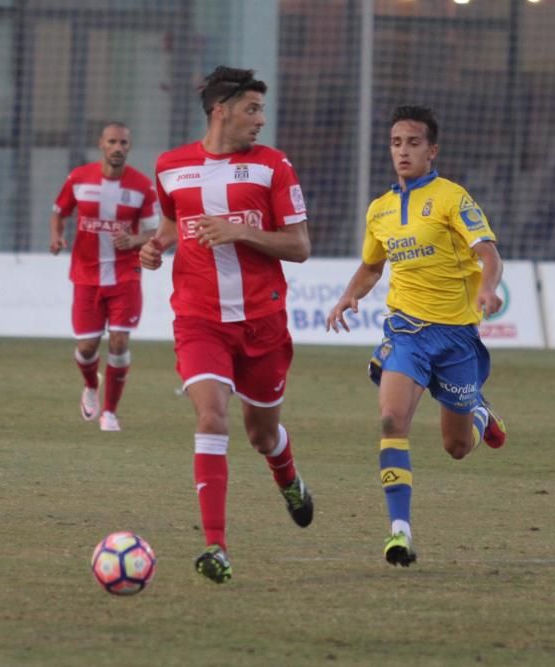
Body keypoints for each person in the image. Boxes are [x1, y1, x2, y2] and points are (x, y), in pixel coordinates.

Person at [139, 66, 314, 584]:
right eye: (252, 109)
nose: (261, 120)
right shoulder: (170, 166)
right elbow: (175, 219)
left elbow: (300, 246)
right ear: (221, 111)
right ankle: (216, 546)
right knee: (211, 417)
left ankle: (288, 476)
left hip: (262, 323)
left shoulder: (273, 167)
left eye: (261, 110)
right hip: (199, 320)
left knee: (262, 435)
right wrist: (156, 244)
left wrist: (239, 231)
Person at [326, 105, 508, 568]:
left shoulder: (452, 197)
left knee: (457, 448)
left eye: (412, 143)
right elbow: (372, 265)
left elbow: (487, 252)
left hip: (456, 339)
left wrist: (487, 288)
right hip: (405, 332)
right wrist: (350, 296)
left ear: (432, 150)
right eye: (395, 143)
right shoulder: (380, 209)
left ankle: (478, 411)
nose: (402, 151)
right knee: (391, 420)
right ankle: (399, 533)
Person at [50, 122, 158, 432]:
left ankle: (110, 412)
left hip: (125, 275)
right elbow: (59, 211)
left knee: (120, 342)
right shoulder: (79, 178)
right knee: (86, 348)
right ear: (102, 144)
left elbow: (155, 230)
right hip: (86, 274)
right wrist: (57, 237)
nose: (118, 148)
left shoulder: (141, 186)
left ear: (129, 147)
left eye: (124, 143)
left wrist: (135, 241)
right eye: (112, 142)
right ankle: (90, 386)